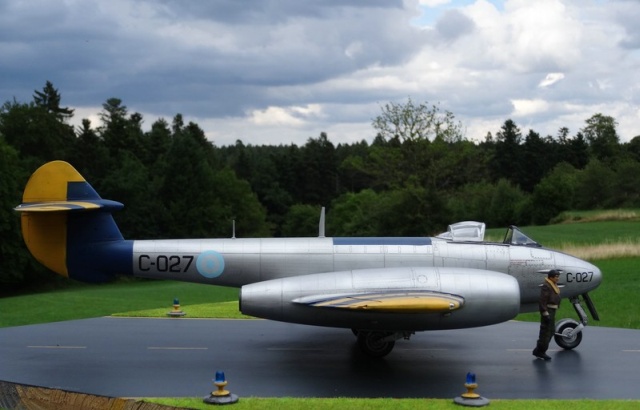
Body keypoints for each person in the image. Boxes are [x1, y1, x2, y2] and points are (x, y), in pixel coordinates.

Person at [532, 269, 561, 360]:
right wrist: (545, 313)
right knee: (546, 332)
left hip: (552, 310)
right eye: (556, 276)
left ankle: (539, 349)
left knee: (551, 331)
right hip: (548, 311)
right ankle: (540, 351)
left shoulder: (552, 285)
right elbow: (542, 300)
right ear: (551, 277)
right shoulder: (547, 286)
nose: (558, 278)